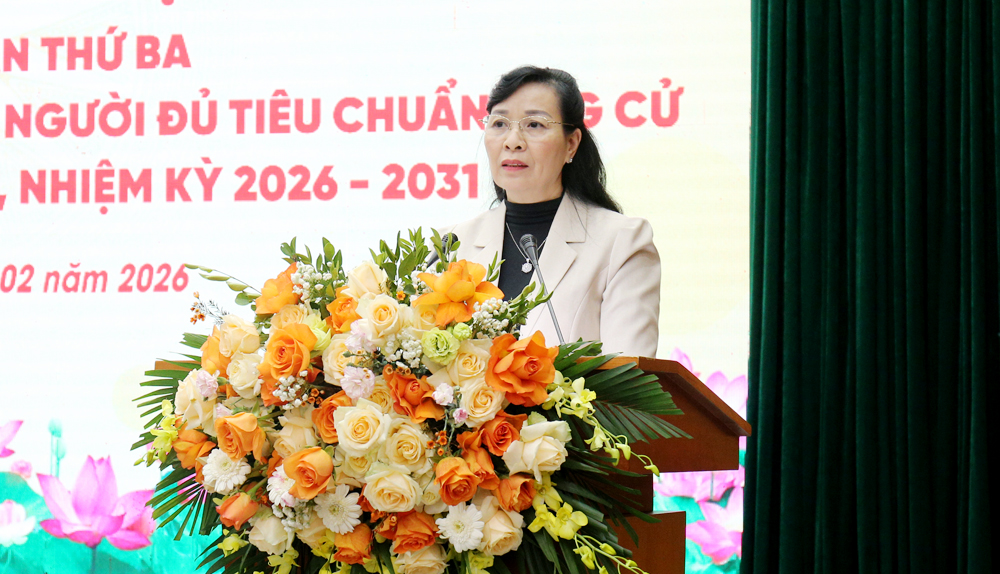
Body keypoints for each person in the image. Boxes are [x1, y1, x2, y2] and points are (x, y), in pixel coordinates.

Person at [447, 66, 661, 357]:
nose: (512, 141)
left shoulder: (621, 242)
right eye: (499, 123)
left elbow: (628, 373)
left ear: (571, 144)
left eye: (534, 125)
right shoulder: (451, 245)